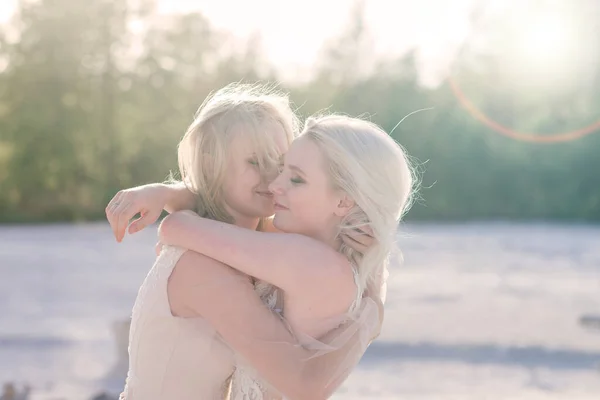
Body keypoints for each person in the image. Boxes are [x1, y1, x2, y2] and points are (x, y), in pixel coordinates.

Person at [109, 113, 414, 398]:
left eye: (295, 178)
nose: (274, 184)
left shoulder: (308, 259)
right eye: (280, 169)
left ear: (344, 202)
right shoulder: (314, 251)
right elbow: (231, 215)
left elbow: (178, 227)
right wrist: (170, 193)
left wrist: (171, 201)